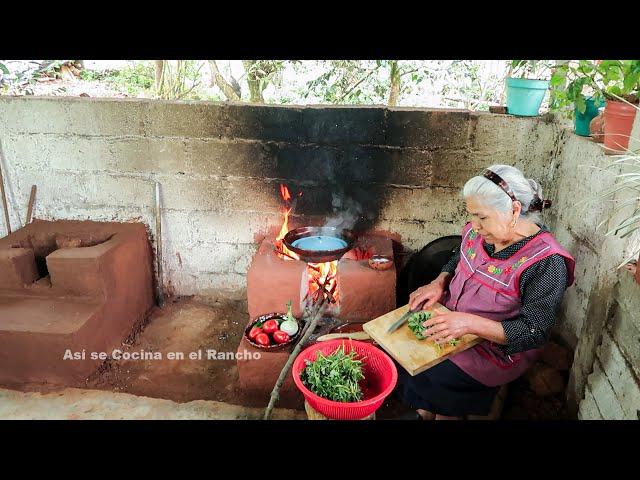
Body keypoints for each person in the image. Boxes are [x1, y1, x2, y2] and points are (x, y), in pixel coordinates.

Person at [397, 164, 575, 420]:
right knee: (405, 353)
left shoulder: (545, 261)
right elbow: (459, 257)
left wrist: (469, 323)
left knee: (435, 374)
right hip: (451, 324)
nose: (474, 225)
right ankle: (426, 412)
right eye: (471, 215)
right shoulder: (481, 233)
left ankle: (441, 413)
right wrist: (439, 281)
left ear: (514, 210)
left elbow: (535, 331)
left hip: (493, 351)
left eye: (482, 217)